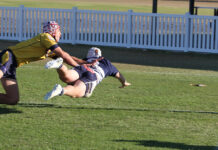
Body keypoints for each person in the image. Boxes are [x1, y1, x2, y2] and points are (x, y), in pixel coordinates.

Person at [0, 21, 80, 105]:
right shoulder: (46, 37)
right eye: (59, 31)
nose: (60, 34)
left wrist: (86, 62)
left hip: (12, 65)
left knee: (12, 99)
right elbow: (62, 54)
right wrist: (78, 67)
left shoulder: (48, 49)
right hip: (7, 57)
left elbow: (66, 57)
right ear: (53, 31)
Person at [44, 47, 131, 100]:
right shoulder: (107, 63)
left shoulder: (85, 60)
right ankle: (61, 90)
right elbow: (119, 75)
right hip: (93, 75)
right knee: (78, 92)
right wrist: (124, 82)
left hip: (82, 67)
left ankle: (60, 66)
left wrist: (54, 55)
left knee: (66, 77)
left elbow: (72, 58)